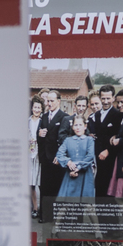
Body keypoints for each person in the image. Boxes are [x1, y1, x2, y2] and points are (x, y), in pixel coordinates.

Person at [37, 90, 67, 222]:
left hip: (57, 159)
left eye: (52, 101)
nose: (49, 103)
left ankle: (56, 217)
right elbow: (40, 138)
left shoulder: (65, 117)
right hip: (45, 158)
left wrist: (61, 156)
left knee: (56, 188)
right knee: (45, 187)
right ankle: (44, 215)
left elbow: (65, 139)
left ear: (58, 101)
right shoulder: (43, 117)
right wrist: (40, 135)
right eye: (47, 101)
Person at [93, 85, 123, 197]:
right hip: (98, 157)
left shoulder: (118, 115)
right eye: (103, 98)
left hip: (111, 158)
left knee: (108, 190)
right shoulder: (97, 115)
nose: (105, 101)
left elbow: (117, 136)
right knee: (99, 188)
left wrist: (108, 150)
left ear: (113, 98)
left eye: (108, 98)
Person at [56, 115, 95, 198]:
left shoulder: (89, 140)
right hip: (70, 172)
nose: (78, 128)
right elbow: (59, 154)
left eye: (80, 125)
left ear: (85, 126)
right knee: (69, 201)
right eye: (76, 125)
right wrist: (68, 162)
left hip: (85, 174)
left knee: (84, 201)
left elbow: (90, 156)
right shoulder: (68, 140)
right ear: (72, 127)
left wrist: (78, 167)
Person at [29, 95, 44, 218]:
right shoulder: (27, 121)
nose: (37, 110)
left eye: (39, 107)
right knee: (31, 183)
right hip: (29, 154)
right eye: (35, 107)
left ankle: (42, 209)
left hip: (40, 154)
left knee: (40, 183)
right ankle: (34, 207)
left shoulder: (43, 121)